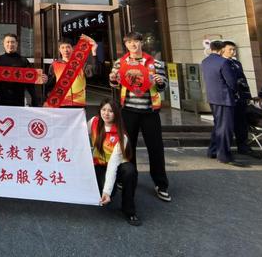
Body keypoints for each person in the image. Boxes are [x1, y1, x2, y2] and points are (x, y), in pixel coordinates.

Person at [109, 31, 171, 202]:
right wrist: (113, 78)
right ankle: (128, 178)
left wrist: (160, 82)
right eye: (129, 42)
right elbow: (115, 84)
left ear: (141, 43)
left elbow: (163, 84)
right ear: (125, 45)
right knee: (128, 148)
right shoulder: (120, 63)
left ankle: (161, 183)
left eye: (136, 41)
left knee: (155, 148)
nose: (133, 45)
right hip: (128, 110)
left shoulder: (154, 63)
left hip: (150, 111)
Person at [89, 97, 140, 226]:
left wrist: (106, 191)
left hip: (116, 166)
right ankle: (109, 189)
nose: (106, 113)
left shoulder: (121, 135)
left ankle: (129, 210)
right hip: (99, 165)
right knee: (107, 193)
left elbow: (113, 165)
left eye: (110, 111)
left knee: (130, 171)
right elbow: (78, 132)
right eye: (103, 109)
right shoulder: (94, 122)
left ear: (116, 113)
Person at [201, 41, 247, 167]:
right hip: (225, 98)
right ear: (221, 49)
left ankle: (213, 150)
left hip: (213, 97)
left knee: (219, 125)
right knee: (226, 127)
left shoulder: (205, 61)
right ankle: (224, 155)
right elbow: (231, 82)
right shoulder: (223, 62)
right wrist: (237, 91)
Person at [0, 33, 47, 107]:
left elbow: (30, 84)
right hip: (1, 100)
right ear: (4, 44)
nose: (10, 44)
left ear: (16, 44)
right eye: (7, 42)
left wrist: (35, 102)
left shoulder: (23, 61)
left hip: (18, 102)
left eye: (12, 42)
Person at [220, 40, 254, 155]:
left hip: (240, 97)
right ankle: (225, 148)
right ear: (222, 50)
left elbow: (243, 79)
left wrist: (247, 95)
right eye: (230, 49)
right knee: (228, 124)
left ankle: (243, 146)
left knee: (242, 123)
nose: (233, 51)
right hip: (227, 97)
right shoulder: (220, 62)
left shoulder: (236, 63)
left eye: (234, 49)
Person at [45, 35, 97, 108]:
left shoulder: (80, 64)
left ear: (73, 48)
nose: (65, 50)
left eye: (68, 47)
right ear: (59, 49)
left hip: (78, 102)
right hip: (61, 103)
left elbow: (93, 72)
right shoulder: (54, 65)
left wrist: (94, 52)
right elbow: (50, 84)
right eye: (62, 47)